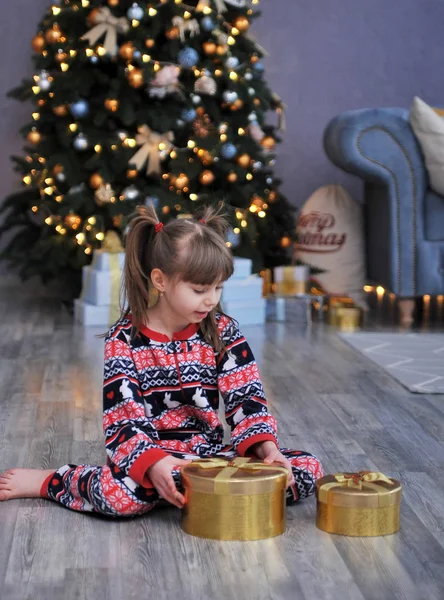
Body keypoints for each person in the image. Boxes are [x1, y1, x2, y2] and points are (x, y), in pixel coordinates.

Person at [0, 204, 323, 516]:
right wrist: (155, 465)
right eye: (199, 289)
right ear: (161, 281)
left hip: (210, 459)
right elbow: (123, 420)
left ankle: (190, 493)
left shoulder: (224, 331)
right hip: (149, 457)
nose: (211, 299)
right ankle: (51, 481)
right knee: (121, 497)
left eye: (218, 288)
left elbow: (247, 399)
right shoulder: (124, 339)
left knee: (306, 470)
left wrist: (269, 453)